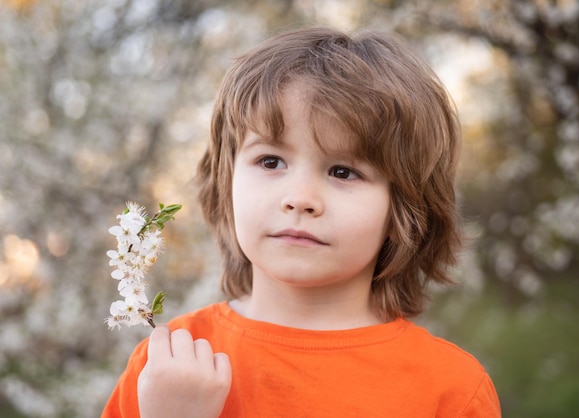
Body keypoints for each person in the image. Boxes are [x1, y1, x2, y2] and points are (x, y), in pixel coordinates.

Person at [102, 26, 501, 418]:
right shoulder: (168, 363)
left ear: (404, 208)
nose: (300, 199)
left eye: (343, 172)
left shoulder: (450, 391)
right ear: (228, 184)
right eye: (270, 162)